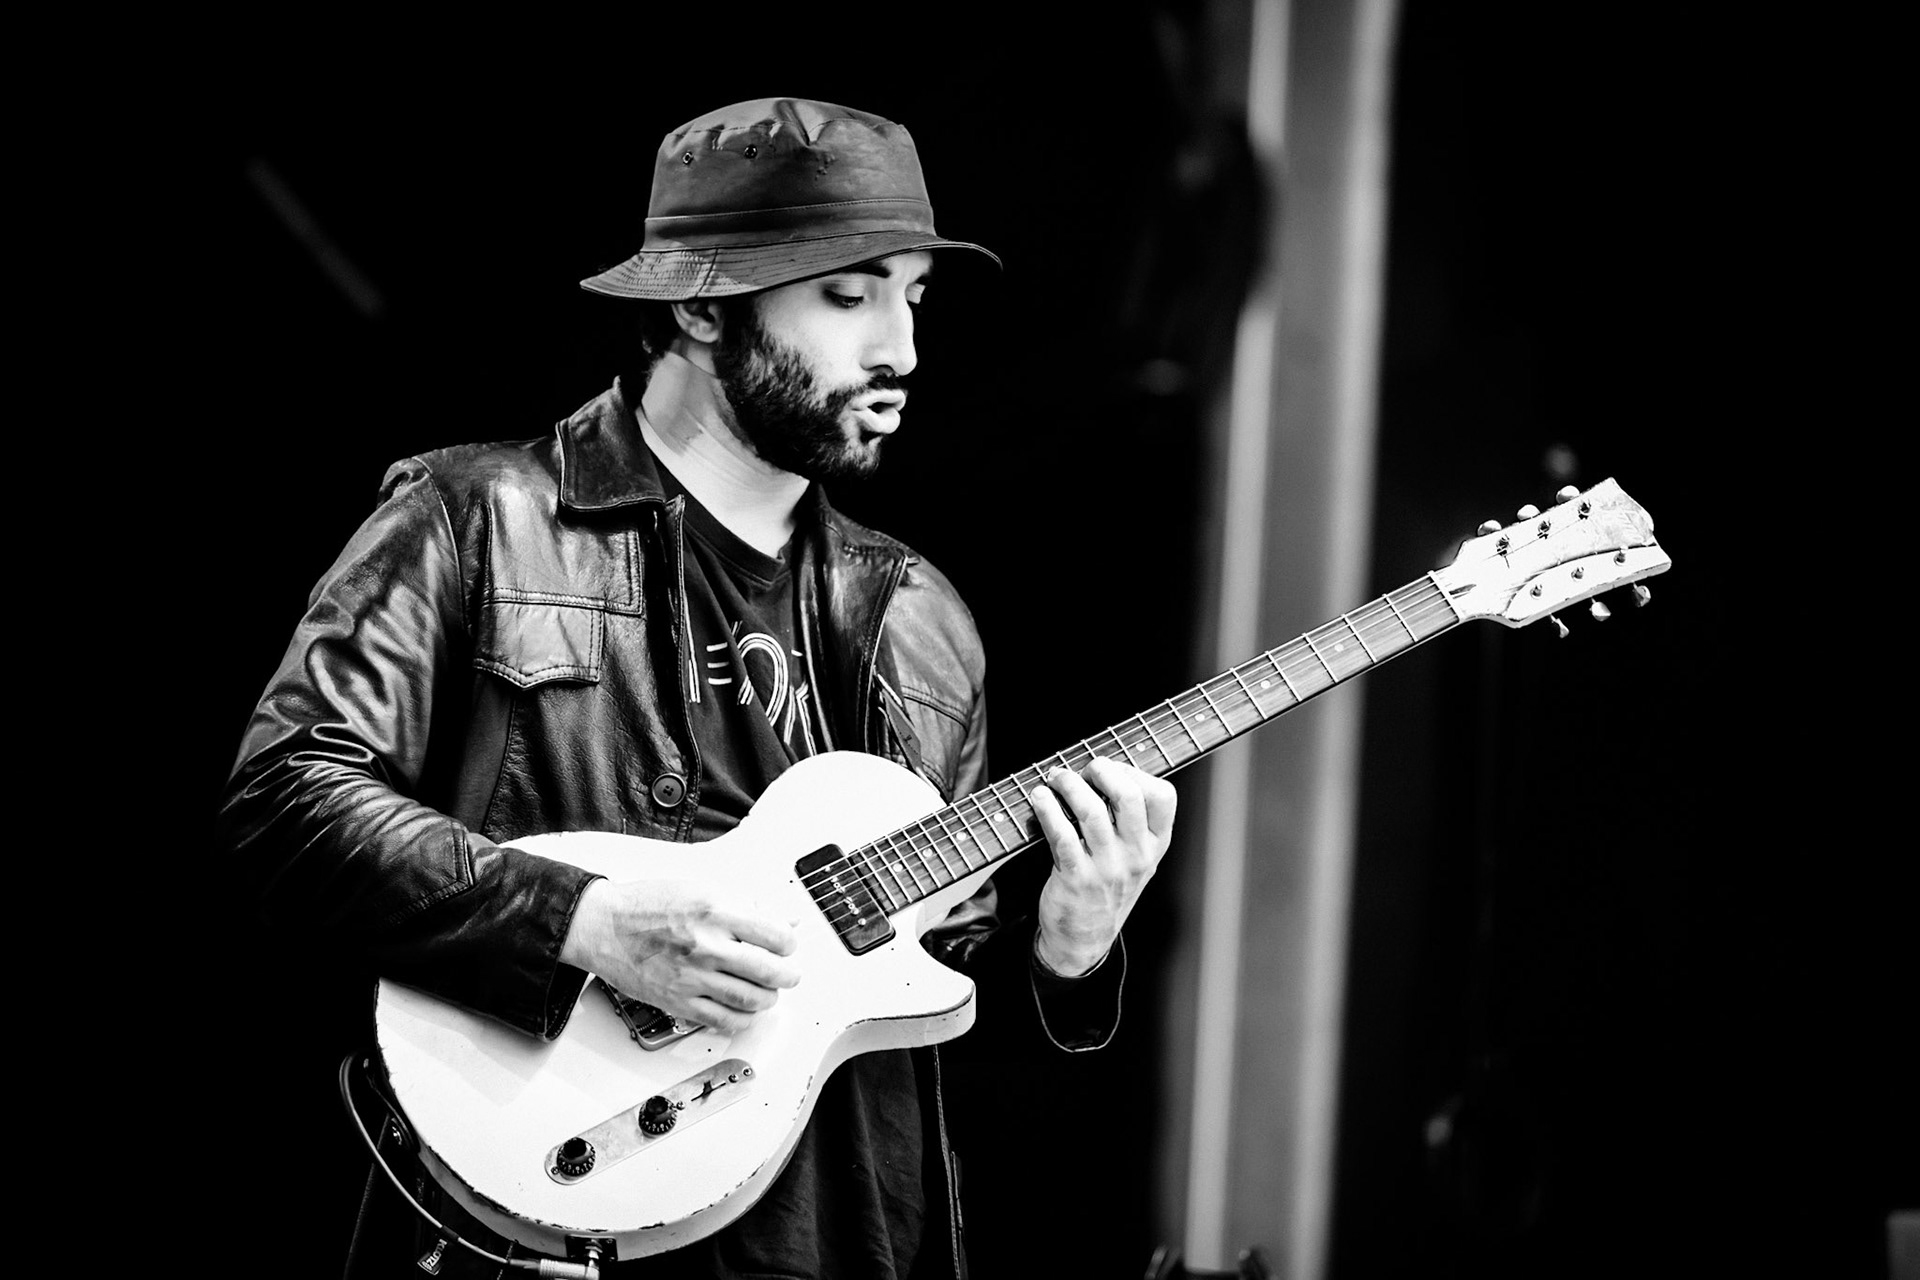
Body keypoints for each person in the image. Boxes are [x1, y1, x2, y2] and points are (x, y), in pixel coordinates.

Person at [219, 97, 1177, 1279]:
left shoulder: (919, 619)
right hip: (528, 1224)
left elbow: (928, 996)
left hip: (835, 1239)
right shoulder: (476, 519)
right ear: (699, 303)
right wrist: (586, 921)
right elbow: (286, 799)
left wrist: (1066, 956)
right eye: (849, 292)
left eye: (912, 295)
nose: (901, 349)